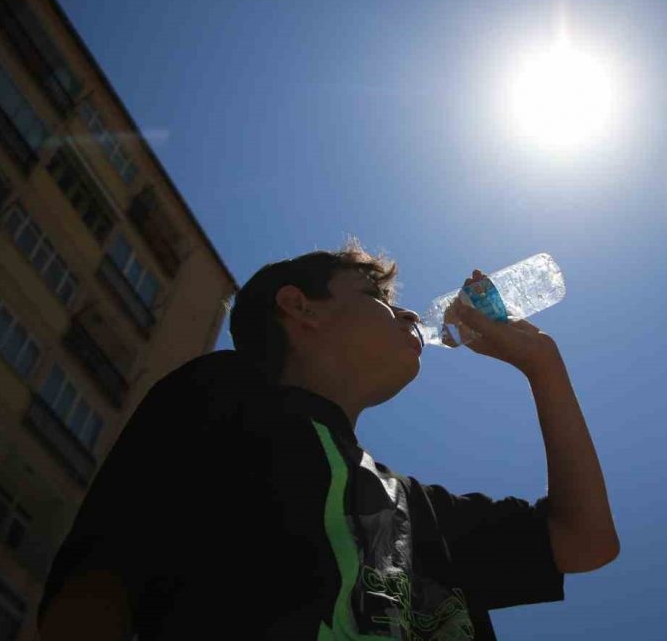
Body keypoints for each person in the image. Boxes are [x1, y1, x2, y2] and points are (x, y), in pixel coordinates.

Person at [37, 236, 619, 640]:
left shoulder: (413, 511)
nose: (411, 314)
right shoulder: (223, 393)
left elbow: (585, 541)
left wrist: (543, 364)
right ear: (300, 309)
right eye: (379, 299)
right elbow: (99, 585)